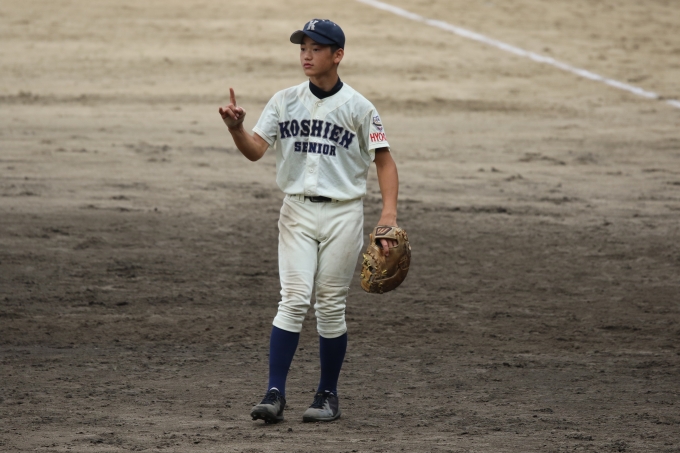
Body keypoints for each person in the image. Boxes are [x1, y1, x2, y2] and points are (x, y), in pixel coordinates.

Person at [219, 18, 399, 424]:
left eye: (316, 48)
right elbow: (255, 150)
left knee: (331, 305)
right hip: (296, 212)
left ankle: (327, 395)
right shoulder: (284, 100)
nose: (306, 54)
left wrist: (387, 216)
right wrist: (236, 128)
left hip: (343, 214)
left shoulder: (359, 107)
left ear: (337, 55)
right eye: (303, 47)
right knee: (295, 299)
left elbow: (385, 162)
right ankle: (274, 393)